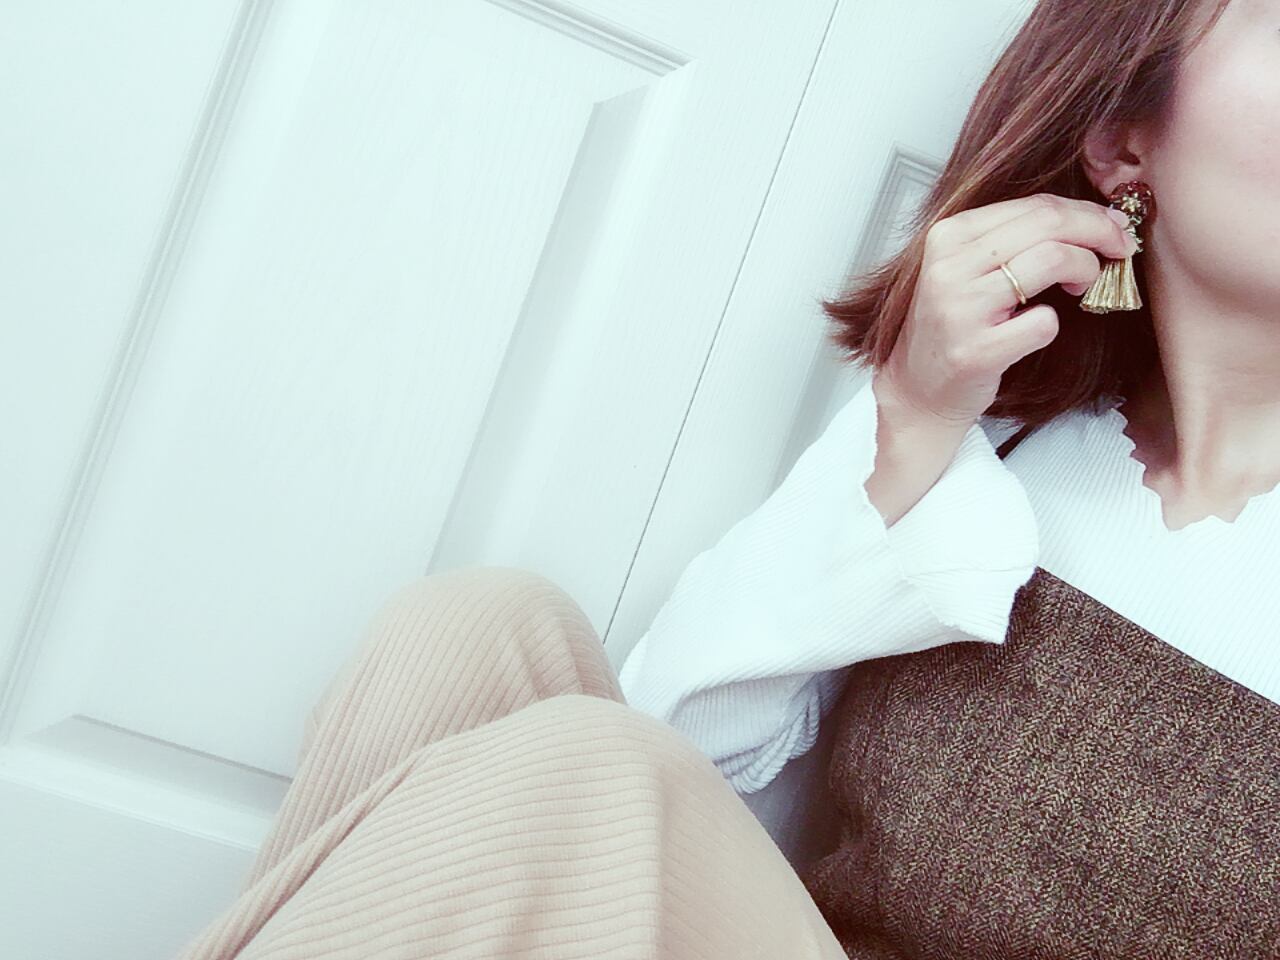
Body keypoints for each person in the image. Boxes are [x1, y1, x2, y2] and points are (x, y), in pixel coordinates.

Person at [176, 0, 1280, 956]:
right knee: (471, 632)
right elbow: (686, 772)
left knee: (591, 761)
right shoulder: (987, 437)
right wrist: (909, 429)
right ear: (1121, 144)